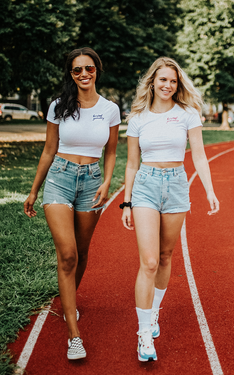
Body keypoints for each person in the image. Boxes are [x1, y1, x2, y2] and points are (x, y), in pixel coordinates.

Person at [24, 47, 121, 360]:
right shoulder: (58, 106)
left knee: (80, 252)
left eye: (89, 69)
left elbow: (112, 152)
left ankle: (68, 300)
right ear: (70, 73)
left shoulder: (110, 109)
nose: (83, 74)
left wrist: (107, 181)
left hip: (92, 181)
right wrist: (34, 190)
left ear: (97, 71)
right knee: (66, 254)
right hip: (59, 179)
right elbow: (48, 150)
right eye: (77, 70)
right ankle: (73, 335)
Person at [120, 57, 219, 362]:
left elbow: (200, 157)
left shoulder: (188, 114)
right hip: (146, 185)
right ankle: (143, 333)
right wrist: (126, 201)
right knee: (148, 261)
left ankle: (153, 315)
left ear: (178, 85)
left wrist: (210, 190)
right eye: (163, 79)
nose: (168, 85)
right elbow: (132, 163)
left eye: (173, 81)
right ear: (152, 81)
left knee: (165, 256)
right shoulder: (137, 118)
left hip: (176, 184)